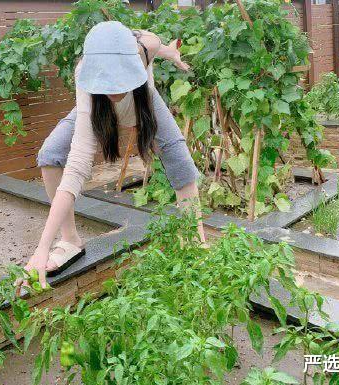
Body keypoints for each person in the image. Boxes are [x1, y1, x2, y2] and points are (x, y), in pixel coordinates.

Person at [21, 21, 206, 288]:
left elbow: (158, 48)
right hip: (97, 113)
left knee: (179, 158)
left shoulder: (146, 45)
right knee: (51, 154)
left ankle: (195, 242)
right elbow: (76, 169)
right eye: (106, 82)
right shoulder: (85, 75)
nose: (114, 90)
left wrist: (170, 53)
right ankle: (70, 239)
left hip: (145, 105)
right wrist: (42, 247)